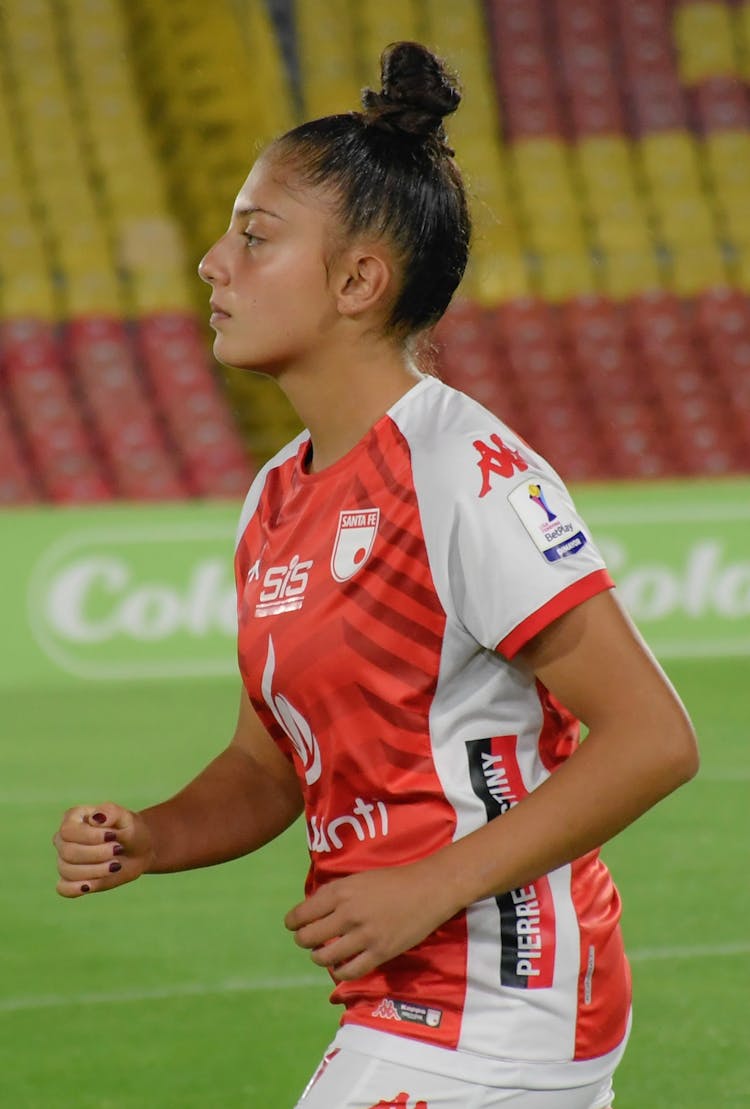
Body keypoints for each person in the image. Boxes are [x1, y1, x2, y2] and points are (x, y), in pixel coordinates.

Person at [53, 42, 699, 1109]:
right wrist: (155, 833)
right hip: (404, 998)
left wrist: (425, 887)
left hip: (504, 997)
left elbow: (654, 737)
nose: (213, 262)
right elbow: (269, 764)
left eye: (254, 238)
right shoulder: (275, 496)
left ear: (360, 280)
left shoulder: (458, 470)